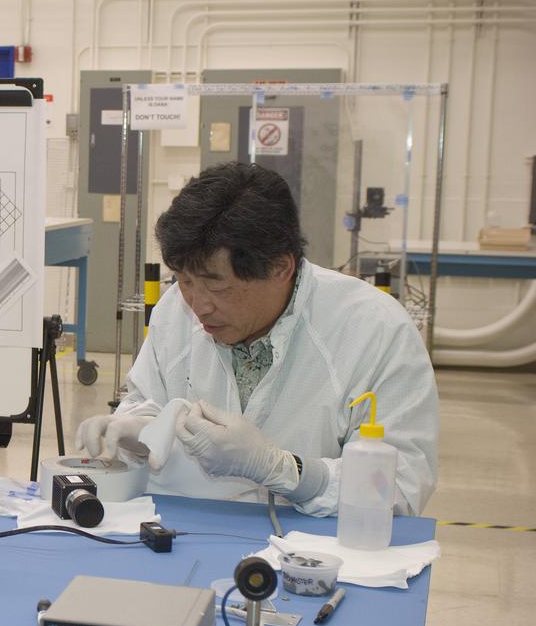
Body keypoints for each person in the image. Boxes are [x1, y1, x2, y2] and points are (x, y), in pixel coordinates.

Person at [75, 162, 438, 516]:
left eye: (217, 284)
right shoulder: (175, 311)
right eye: (184, 280)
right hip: (185, 538)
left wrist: (284, 470)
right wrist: (134, 432)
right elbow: (148, 402)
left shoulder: (375, 331)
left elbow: (398, 488)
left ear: (281, 267)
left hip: (310, 557)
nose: (199, 307)